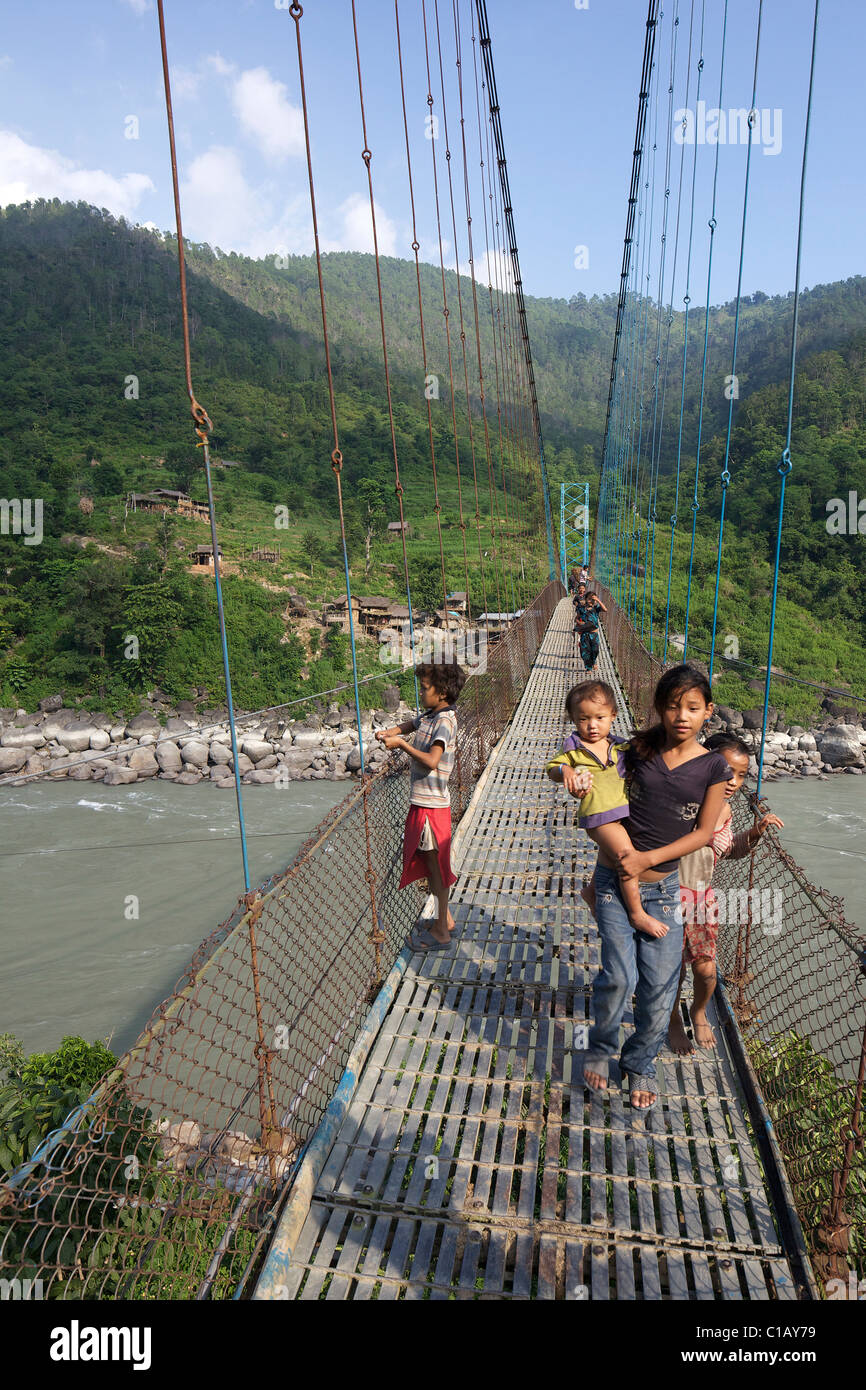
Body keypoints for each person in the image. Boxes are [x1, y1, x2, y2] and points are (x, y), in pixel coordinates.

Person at [582, 665, 731, 1110]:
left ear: (708, 711)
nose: (681, 716)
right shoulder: (637, 748)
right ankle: (603, 1049)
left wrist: (647, 859)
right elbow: (589, 761)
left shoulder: (714, 766)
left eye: (692, 707)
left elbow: (706, 832)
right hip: (613, 882)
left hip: (664, 887)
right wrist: (574, 780)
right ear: (659, 709)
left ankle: (641, 1063)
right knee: (619, 977)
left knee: (661, 987)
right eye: (672, 706)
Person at [668, 732, 784, 1053]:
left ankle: (698, 1010)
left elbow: (729, 848)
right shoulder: (687, 796)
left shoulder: (727, 810)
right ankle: (673, 1020)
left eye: (742, 774)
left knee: (706, 973)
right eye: (726, 770)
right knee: (673, 970)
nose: (733, 781)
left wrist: (756, 832)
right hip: (667, 896)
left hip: (701, 901)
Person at [546, 680, 669, 938]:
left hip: (625, 815)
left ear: (613, 715)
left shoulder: (622, 746)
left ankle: (591, 891)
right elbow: (553, 769)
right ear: (573, 720)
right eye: (583, 719)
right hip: (599, 818)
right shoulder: (573, 746)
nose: (592, 725)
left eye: (600, 717)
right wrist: (567, 771)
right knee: (626, 856)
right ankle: (637, 914)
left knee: (609, 855)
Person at [375, 661, 466, 954]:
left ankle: (440, 932)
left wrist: (401, 745)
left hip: (431, 806)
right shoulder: (431, 714)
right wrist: (392, 731)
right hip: (424, 803)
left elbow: (431, 761)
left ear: (442, 693)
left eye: (425, 688)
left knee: (436, 869)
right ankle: (446, 919)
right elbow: (411, 724)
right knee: (430, 865)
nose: (420, 692)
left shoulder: (445, 721)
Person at [574, 591, 606, 672]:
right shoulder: (581, 609)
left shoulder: (596, 608)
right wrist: (579, 622)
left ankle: (594, 661)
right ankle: (588, 667)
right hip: (585, 633)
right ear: (586, 599)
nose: (591, 601)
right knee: (585, 651)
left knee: (595, 650)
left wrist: (598, 600)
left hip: (594, 633)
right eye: (589, 599)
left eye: (593, 599)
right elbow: (576, 618)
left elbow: (605, 609)